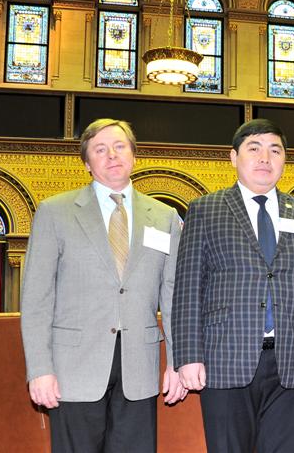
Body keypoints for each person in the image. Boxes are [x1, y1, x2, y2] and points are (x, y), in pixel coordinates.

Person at [172, 118, 294, 453]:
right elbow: (188, 289)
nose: (265, 158)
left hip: (293, 361)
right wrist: (188, 356)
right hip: (224, 360)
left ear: (284, 160)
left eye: (275, 150)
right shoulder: (205, 210)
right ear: (234, 157)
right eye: (254, 148)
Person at [21, 118, 185, 452]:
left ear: (134, 156)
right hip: (73, 370)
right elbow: (37, 299)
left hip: (140, 368)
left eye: (120, 146)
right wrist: (39, 370)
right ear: (87, 163)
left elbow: (172, 298)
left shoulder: (165, 216)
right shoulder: (55, 212)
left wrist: (178, 363)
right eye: (100, 149)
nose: (112, 155)